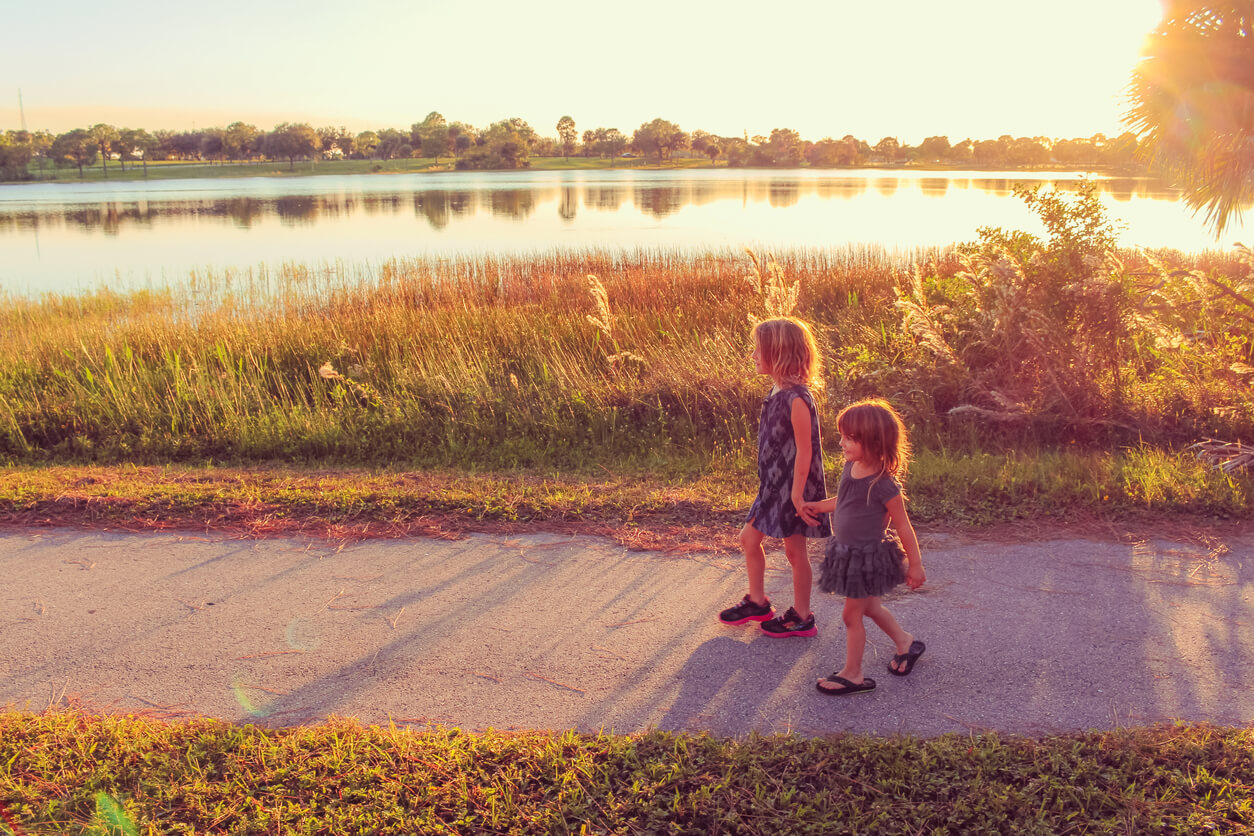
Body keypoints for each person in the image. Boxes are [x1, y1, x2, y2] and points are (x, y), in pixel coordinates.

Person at [798, 398, 926, 695]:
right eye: (841, 436)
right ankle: (905, 642)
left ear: (873, 441)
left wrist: (916, 564)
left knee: (851, 615)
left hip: (866, 560)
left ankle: (853, 674)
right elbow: (844, 501)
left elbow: (903, 525)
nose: (841, 443)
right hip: (847, 553)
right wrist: (818, 506)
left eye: (849, 438)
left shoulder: (883, 484)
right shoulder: (851, 465)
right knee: (870, 608)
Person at [718, 317, 832, 638]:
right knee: (748, 538)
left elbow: (806, 452)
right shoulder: (776, 389)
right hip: (772, 487)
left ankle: (802, 616)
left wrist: (798, 496)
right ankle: (757, 602)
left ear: (779, 353)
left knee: (795, 553)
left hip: (793, 490)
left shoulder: (797, 399)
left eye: (758, 350)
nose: (752, 355)